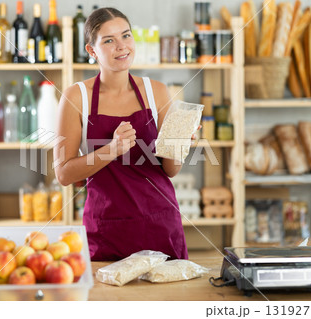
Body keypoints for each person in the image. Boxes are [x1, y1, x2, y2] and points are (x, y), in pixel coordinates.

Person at [54, 7, 192, 261]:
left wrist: (179, 141)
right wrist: (112, 149)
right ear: (92, 51)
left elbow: (170, 170)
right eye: (109, 40)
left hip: (160, 225)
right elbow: (63, 173)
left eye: (126, 36)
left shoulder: (157, 92)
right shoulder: (77, 97)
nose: (122, 46)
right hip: (105, 231)